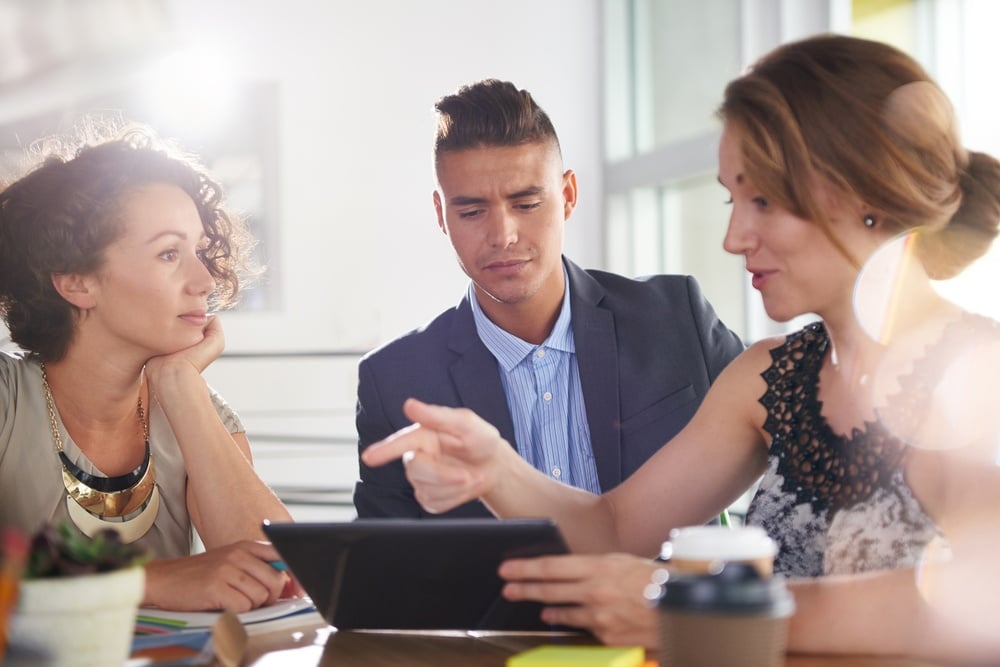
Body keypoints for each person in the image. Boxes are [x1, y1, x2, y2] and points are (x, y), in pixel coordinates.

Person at [362, 35, 1000, 661]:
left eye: (762, 200)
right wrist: (496, 468)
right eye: (732, 199)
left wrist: (700, 606)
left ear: (864, 194)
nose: (734, 237)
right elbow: (616, 529)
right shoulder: (768, 375)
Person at [354, 79, 744, 518]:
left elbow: (788, 439)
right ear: (441, 216)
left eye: (526, 205)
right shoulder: (393, 382)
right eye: (472, 212)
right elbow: (377, 555)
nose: (503, 236)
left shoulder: (675, 318)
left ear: (568, 196)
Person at [0, 125, 300, 612]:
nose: (204, 280)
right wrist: (144, 581)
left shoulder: (198, 411)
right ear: (77, 283)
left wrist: (181, 385)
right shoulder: (7, 400)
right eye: (168, 253)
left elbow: (282, 578)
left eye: (198, 251)